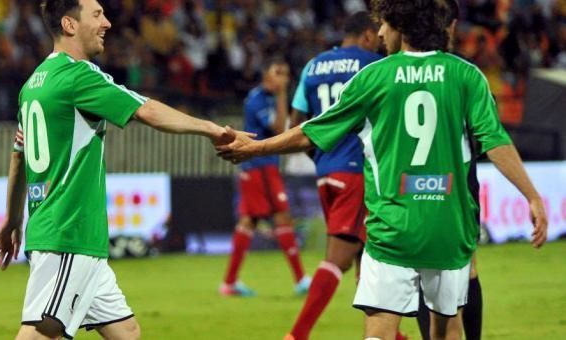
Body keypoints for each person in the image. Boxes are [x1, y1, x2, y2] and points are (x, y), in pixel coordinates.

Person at [216, 0, 548, 339]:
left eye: (385, 25)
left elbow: (310, 131)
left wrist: (256, 147)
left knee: (379, 332)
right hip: (448, 226)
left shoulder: (375, 76)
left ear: (401, 27)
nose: (379, 33)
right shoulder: (467, 76)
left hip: (392, 228)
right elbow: (496, 141)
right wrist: (532, 196)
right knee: (447, 329)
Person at [0, 1, 239, 339]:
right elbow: (146, 110)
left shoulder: (33, 85)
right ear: (69, 24)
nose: (107, 23)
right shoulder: (77, 75)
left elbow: (19, 156)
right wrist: (209, 128)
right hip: (68, 231)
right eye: (97, 15)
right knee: (43, 333)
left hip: (73, 235)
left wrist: (13, 219)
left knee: (127, 332)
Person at [284, 11, 385, 340]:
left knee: (366, 257)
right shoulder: (371, 64)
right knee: (338, 258)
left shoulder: (312, 66)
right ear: (368, 35)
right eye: (379, 36)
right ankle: (296, 335)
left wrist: (323, 157)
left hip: (326, 172)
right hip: (358, 172)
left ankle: (388, 334)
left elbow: (296, 122)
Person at [415, 1, 483, 339]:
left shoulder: (395, 70)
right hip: (458, 185)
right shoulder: (466, 72)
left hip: (412, 184)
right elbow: (483, 138)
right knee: (465, 270)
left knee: (420, 269)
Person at [219, 57, 310, 297]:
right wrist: (282, 95)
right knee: (280, 217)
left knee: (252, 221)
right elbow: (280, 129)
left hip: (263, 167)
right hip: (259, 168)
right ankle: (301, 280)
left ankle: (230, 282)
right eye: (277, 72)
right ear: (266, 76)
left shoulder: (267, 98)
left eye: (285, 73)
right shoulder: (258, 100)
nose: (282, 78)